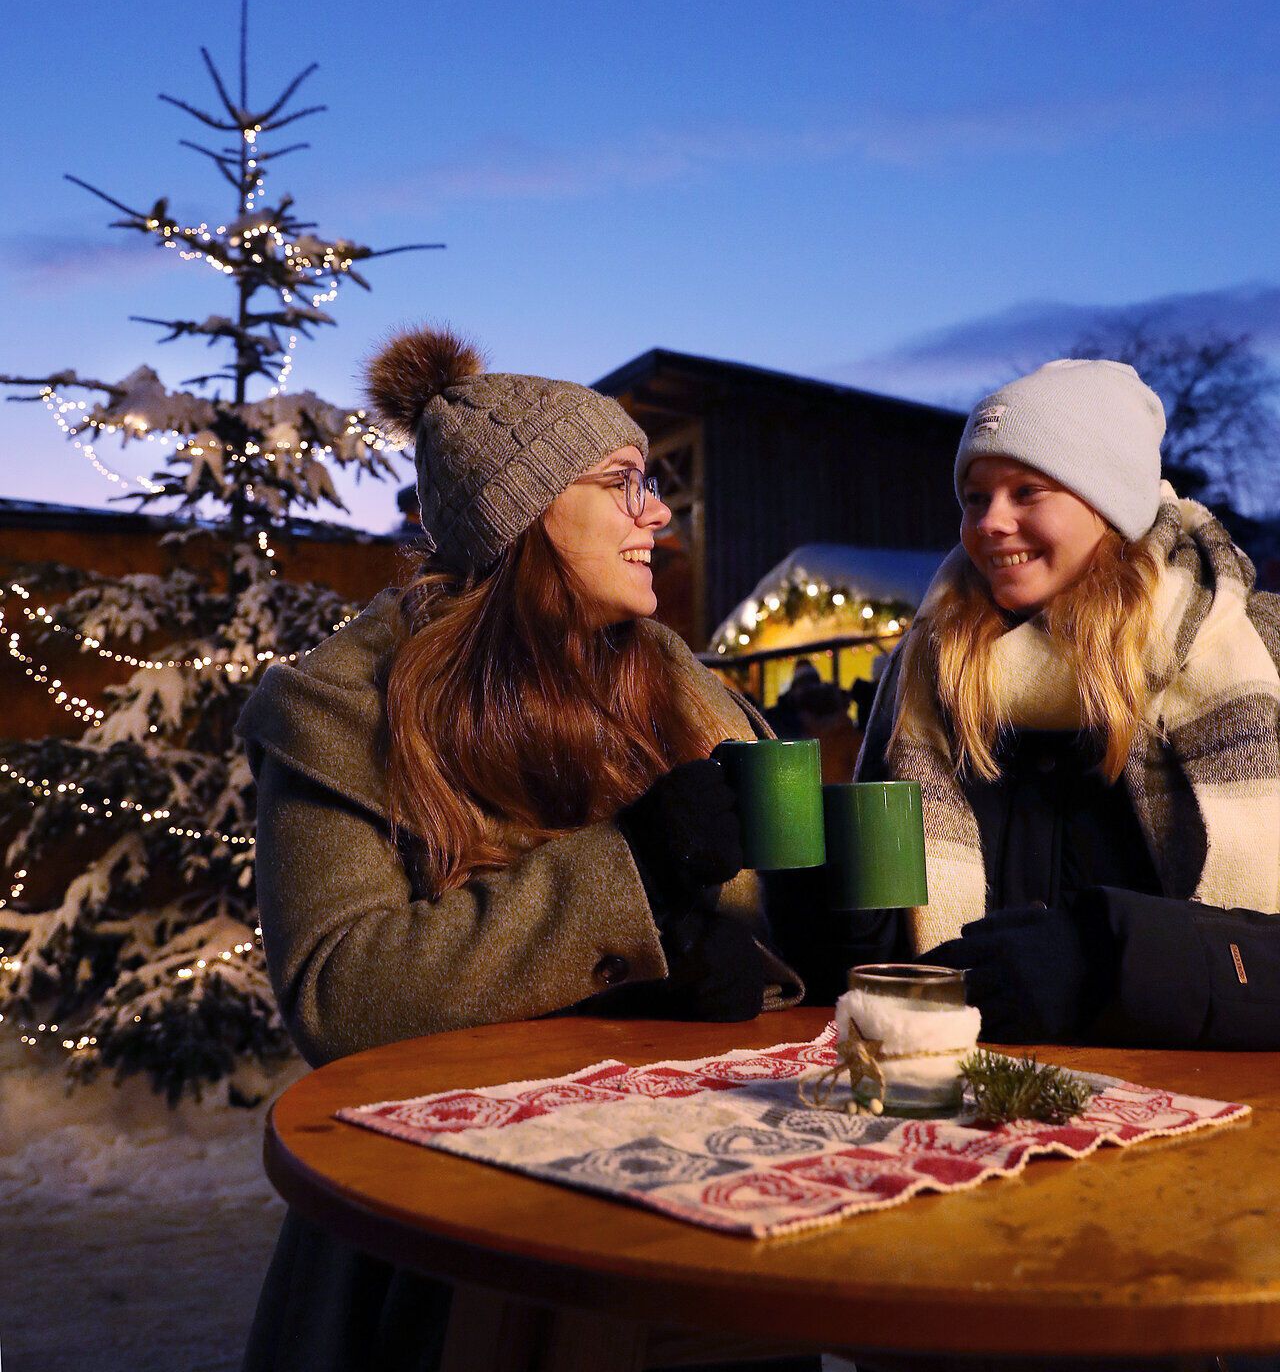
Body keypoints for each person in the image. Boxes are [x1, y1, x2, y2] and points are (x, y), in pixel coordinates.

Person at [238, 325, 803, 1372]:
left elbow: (767, 930)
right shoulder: (345, 709)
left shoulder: (684, 686)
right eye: (623, 482)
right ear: (525, 513)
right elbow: (339, 994)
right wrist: (623, 876)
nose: (658, 514)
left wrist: (783, 936)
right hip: (465, 1242)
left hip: (714, 1207)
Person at [777, 358, 1280, 1055]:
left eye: (1027, 491)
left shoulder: (1255, 652)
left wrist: (1100, 961)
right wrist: (811, 900)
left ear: (1108, 502)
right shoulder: (928, 667)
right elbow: (879, 950)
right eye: (975, 497)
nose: (991, 523)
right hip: (961, 1098)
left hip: (1210, 1114)